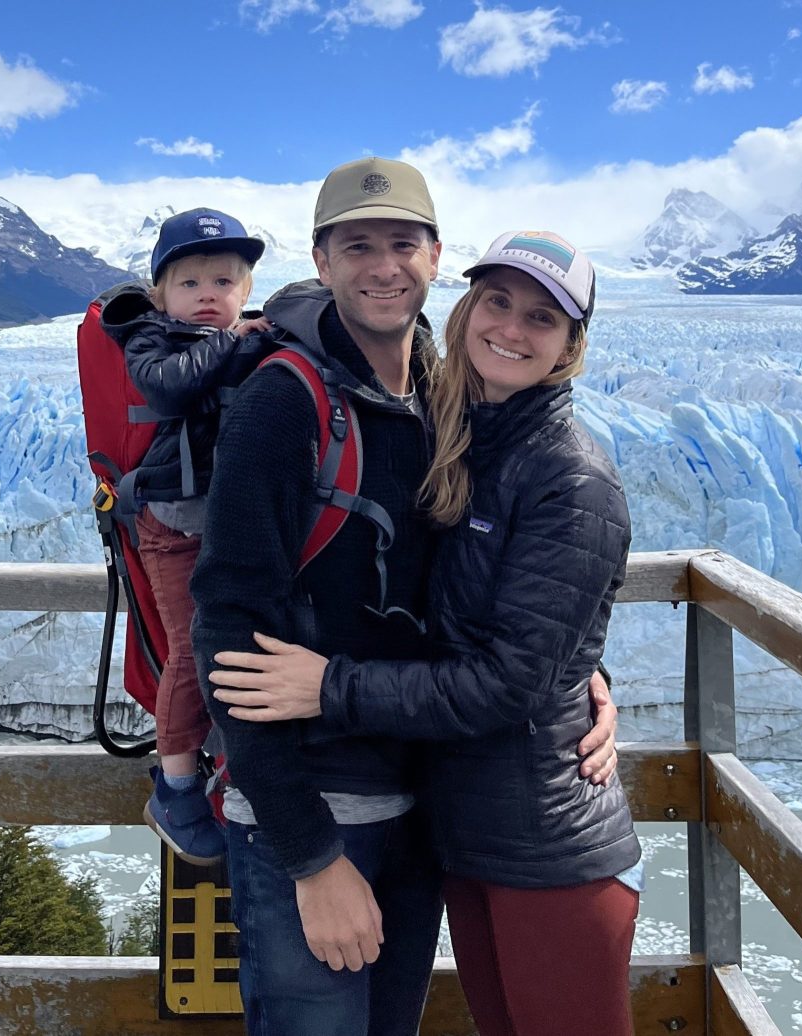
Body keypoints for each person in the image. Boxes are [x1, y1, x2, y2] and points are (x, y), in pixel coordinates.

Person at [189, 160, 619, 1036]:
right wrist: (311, 856)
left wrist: (579, 674)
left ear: (434, 258)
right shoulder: (283, 402)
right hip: (314, 812)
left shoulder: (439, 395)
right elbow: (228, 631)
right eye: (358, 246)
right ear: (322, 258)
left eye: (402, 244)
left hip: (419, 813)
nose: (383, 267)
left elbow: (492, 597)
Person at [99, 207, 270, 864]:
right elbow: (167, 390)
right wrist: (237, 342)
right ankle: (173, 785)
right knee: (193, 653)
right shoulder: (150, 340)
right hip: (174, 526)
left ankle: (231, 769)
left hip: (237, 530)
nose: (208, 294)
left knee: (241, 650)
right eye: (191, 282)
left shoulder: (256, 342)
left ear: (245, 291)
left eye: (224, 282)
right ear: (159, 294)